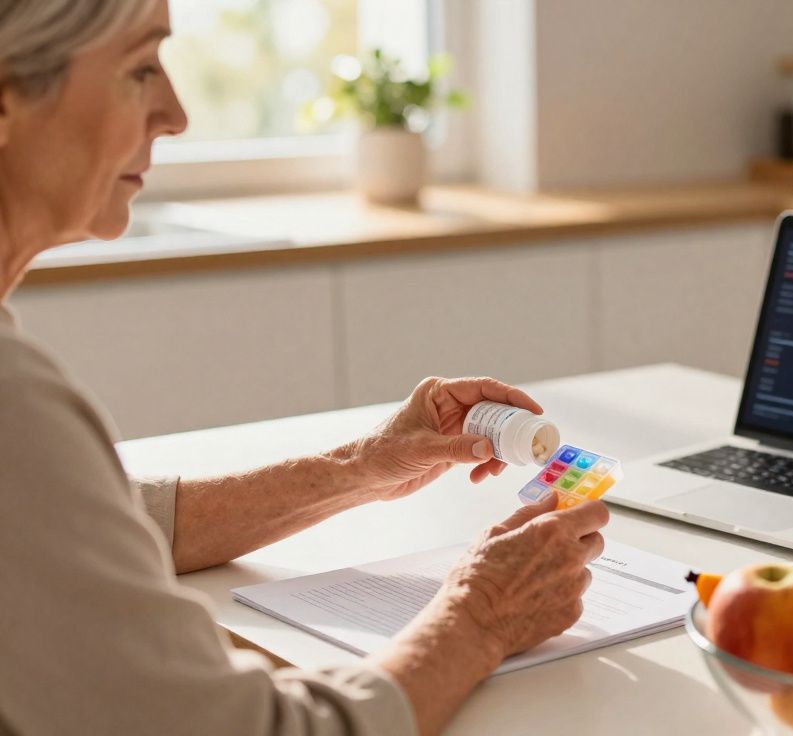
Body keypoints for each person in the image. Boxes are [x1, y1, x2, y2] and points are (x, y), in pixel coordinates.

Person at [0, 1, 608, 734]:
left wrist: (367, 463)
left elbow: (101, 527)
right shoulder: (14, 407)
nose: (176, 113)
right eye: (140, 68)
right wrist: (482, 614)